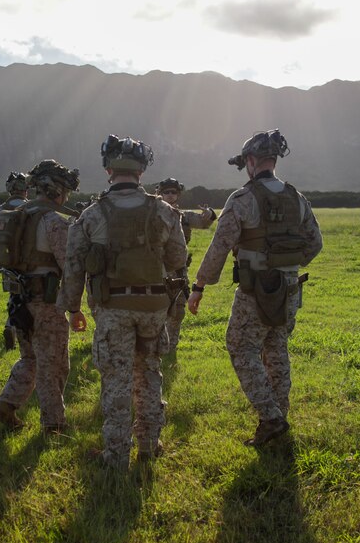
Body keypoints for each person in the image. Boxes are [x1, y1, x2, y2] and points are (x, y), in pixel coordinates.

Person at [187, 129, 323, 446]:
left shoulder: (242, 200)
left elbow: (220, 247)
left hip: (255, 292)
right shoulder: (297, 198)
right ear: (273, 160)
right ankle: (278, 423)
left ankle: (271, 417)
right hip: (290, 290)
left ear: (250, 161)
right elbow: (315, 244)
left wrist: (199, 286)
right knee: (276, 351)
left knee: (241, 347)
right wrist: (287, 264)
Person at [58, 135, 187, 468]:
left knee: (117, 379)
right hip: (154, 307)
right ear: (142, 171)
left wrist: (72, 309)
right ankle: (149, 444)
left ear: (108, 170)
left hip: (112, 308)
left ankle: (116, 457)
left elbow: (73, 267)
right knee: (149, 371)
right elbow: (176, 259)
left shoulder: (91, 214)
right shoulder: (165, 211)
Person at [0, 160, 81, 435]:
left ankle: (7, 404)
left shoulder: (16, 214)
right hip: (47, 304)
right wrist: (75, 307)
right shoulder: (52, 221)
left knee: (30, 358)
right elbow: (70, 266)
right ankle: (53, 424)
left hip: (18, 302)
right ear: (55, 191)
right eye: (64, 191)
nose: (65, 197)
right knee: (54, 365)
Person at [154, 177, 217, 354]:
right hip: (156, 270)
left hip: (178, 271)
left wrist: (209, 214)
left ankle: (170, 347)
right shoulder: (152, 214)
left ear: (178, 194)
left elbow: (205, 222)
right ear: (160, 193)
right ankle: (155, 346)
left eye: (173, 192)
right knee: (156, 308)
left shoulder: (185, 217)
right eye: (166, 192)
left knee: (178, 309)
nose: (170, 195)